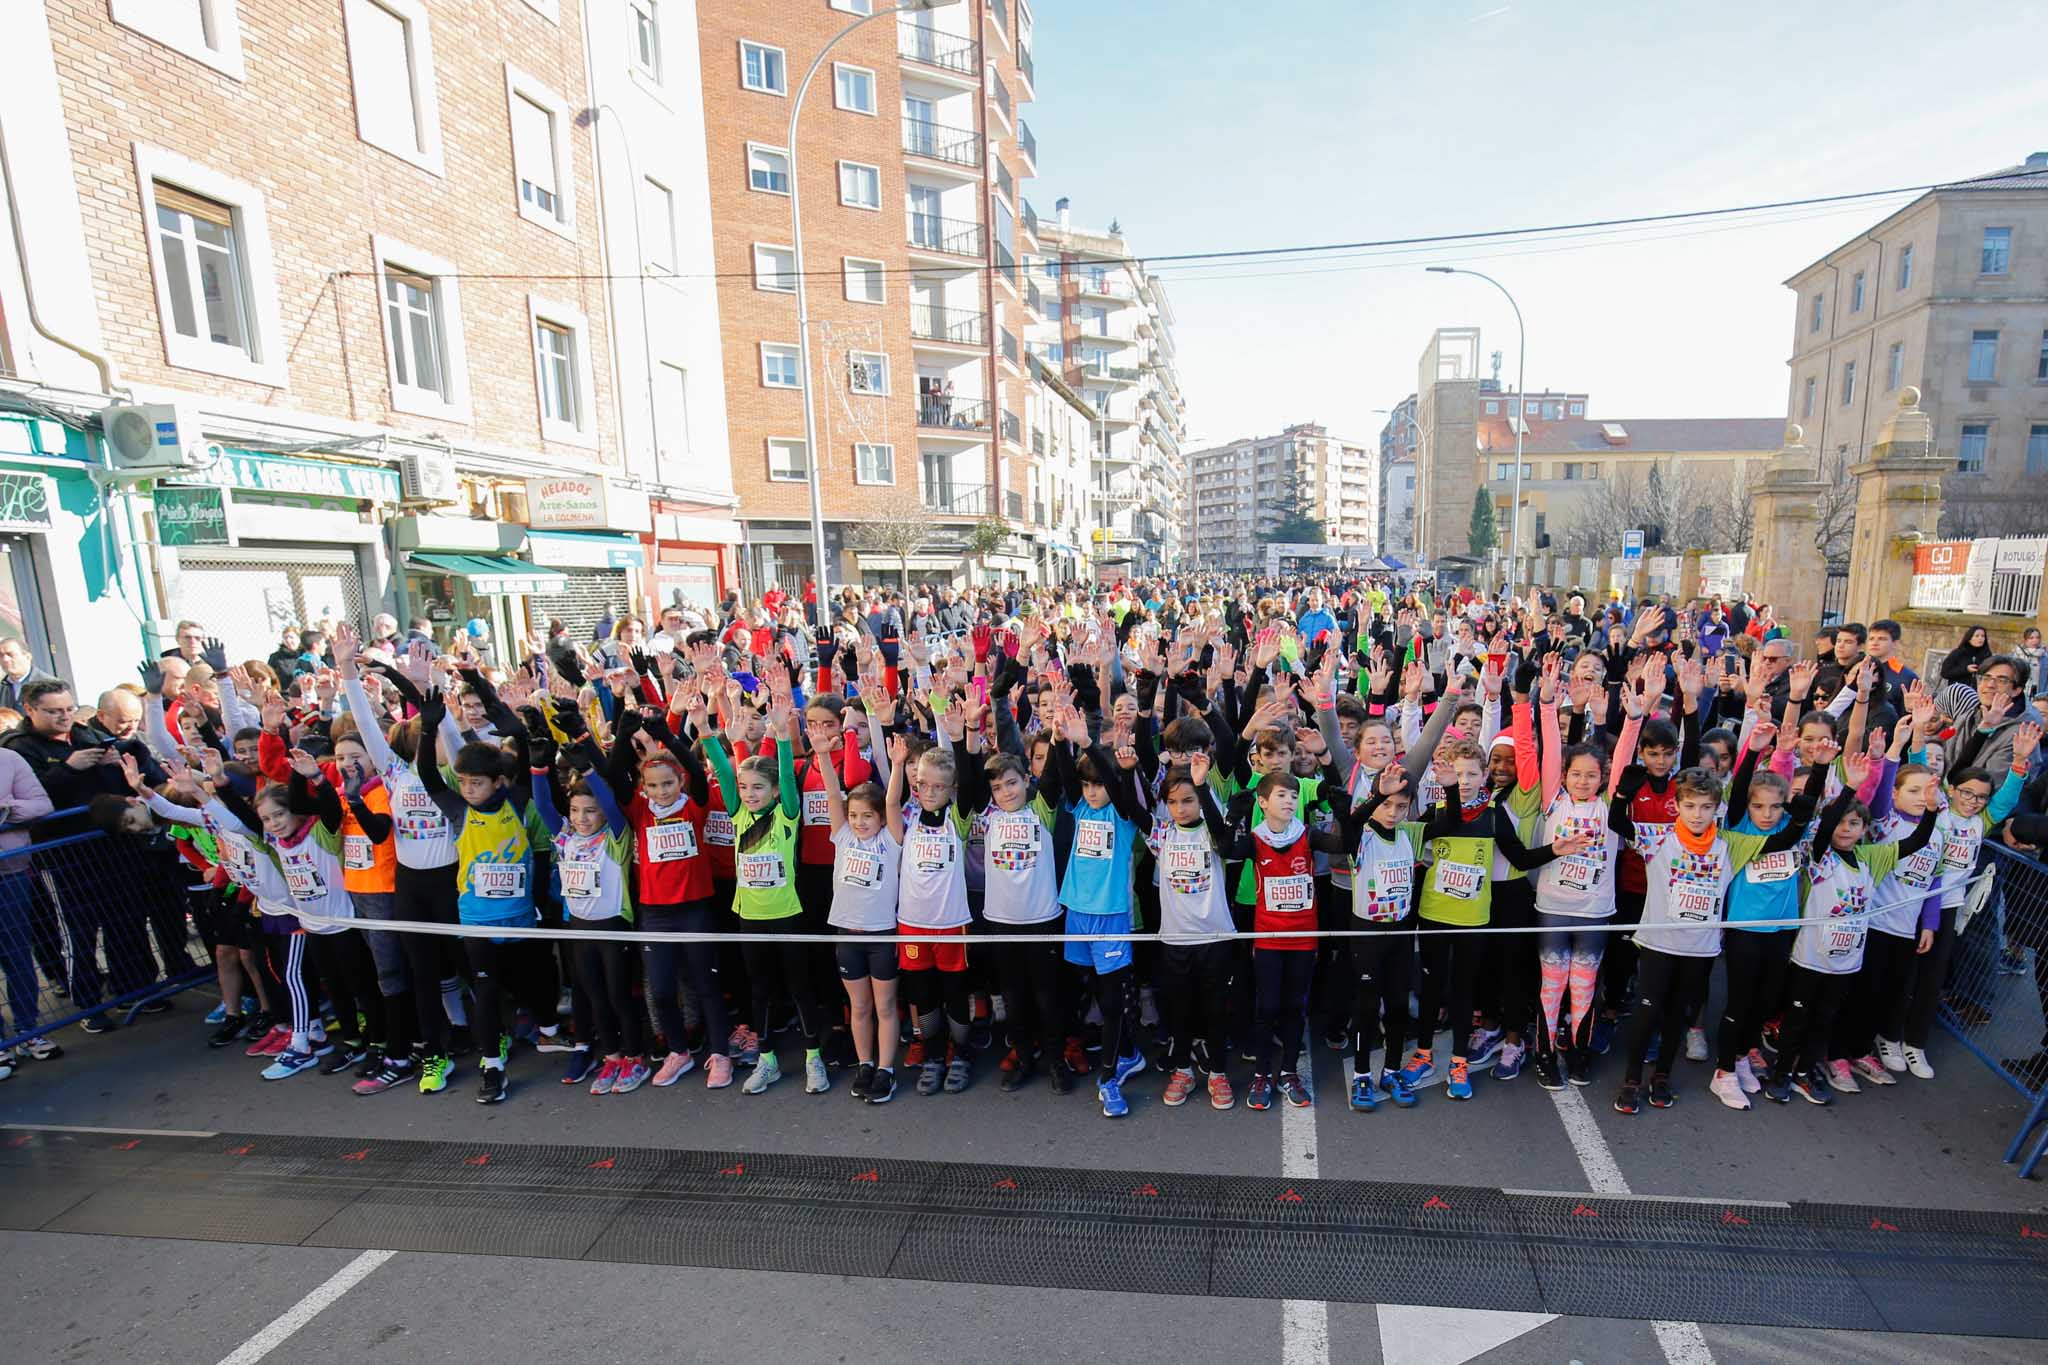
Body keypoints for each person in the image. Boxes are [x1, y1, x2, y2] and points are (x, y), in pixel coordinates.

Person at [0, 638, 56, 714]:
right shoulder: (3, 687)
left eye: (10, 654)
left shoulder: (50, 686)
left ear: (27, 657)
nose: (5, 659)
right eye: (1, 655)